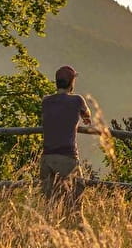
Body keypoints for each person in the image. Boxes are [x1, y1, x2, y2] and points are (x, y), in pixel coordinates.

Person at [39, 64, 92, 216]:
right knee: (75, 202)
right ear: (71, 83)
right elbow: (87, 114)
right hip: (67, 157)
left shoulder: (46, 101)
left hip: (47, 158)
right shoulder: (77, 100)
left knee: (50, 205)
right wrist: (84, 116)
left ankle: (49, 234)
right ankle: (73, 233)